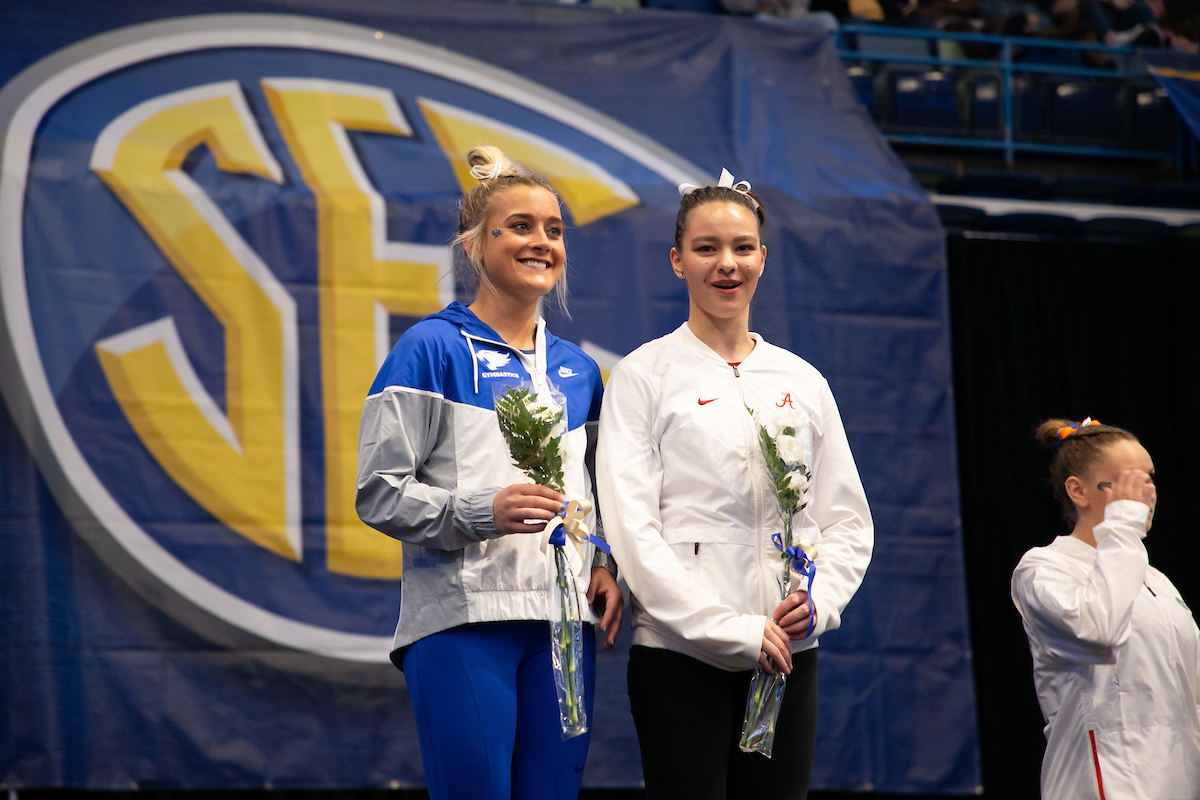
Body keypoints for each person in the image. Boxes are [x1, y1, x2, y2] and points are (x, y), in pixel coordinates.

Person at [356, 146, 623, 800]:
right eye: (522, 227)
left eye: (554, 230)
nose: (542, 241)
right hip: (464, 621)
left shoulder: (580, 371)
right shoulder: (430, 349)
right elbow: (378, 491)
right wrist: (481, 512)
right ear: (475, 247)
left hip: (564, 625)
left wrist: (604, 565)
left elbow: (593, 490)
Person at [595, 174, 873, 799]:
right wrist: (729, 628)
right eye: (706, 248)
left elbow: (847, 519)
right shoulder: (644, 375)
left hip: (785, 655)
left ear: (763, 258)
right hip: (679, 654)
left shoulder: (802, 380)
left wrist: (819, 605)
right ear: (677, 260)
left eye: (743, 248)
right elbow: (633, 532)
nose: (727, 264)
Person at [1011, 418, 1200, 800]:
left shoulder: (1156, 580)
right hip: (1104, 782)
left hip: (1178, 778)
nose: (1145, 491)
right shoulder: (1044, 568)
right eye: (1128, 480)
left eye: (1149, 478)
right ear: (1078, 491)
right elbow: (1098, 634)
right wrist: (1123, 528)